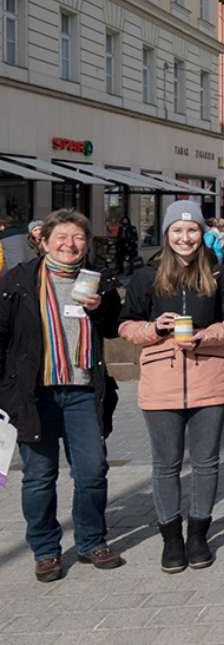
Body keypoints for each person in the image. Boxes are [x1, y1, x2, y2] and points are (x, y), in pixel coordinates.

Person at [117, 203, 224, 572]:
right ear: (166, 234)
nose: (185, 238)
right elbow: (126, 325)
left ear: (202, 233)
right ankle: (171, 538)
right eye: (177, 231)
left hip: (211, 379)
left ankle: (198, 534)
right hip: (161, 382)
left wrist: (206, 336)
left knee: (206, 464)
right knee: (166, 465)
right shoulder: (148, 276)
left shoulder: (220, 274)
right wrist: (154, 329)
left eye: (191, 231)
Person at [0, 210, 123, 582]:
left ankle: (90, 541)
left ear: (87, 242)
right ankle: (46, 550)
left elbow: (114, 328)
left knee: (93, 471)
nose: (70, 245)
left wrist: (102, 310)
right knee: (39, 476)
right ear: (44, 241)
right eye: (62, 238)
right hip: (36, 395)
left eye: (78, 238)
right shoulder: (19, 280)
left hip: (84, 391)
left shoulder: (98, 281)